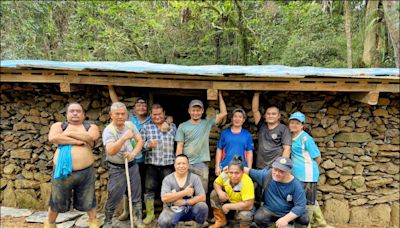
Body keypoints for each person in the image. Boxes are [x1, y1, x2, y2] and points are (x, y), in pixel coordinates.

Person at [108, 85, 171, 221]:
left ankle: (140, 212)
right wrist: (110, 87)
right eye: (138, 105)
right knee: (128, 186)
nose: (141, 108)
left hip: (143, 159)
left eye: (144, 105)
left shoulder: (150, 119)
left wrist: (168, 120)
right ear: (134, 108)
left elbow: (163, 117)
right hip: (129, 158)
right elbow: (116, 106)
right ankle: (127, 211)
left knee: (142, 186)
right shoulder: (129, 119)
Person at [45, 103, 100, 228]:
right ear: (67, 114)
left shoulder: (90, 127)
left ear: (84, 114)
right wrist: (77, 141)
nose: (75, 113)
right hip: (61, 172)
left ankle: (93, 222)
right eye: (72, 111)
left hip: (85, 172)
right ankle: (50, 223)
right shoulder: (58, 125)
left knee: (89, 199)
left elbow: (91, 137)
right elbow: (53, 138)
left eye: (78, 111)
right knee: (56, 200)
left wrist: (67, 134)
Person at [102, 102, 145, 228]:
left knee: (136, 192)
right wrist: (123, 139)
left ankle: (138, 219)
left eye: (123, 113)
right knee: (114, 194)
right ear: (111, 115)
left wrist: (133, 153)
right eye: (117, 114)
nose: (120, 116)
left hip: (132, 164)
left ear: (126, 114)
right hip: (116, 167)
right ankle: (108, 221)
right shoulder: (108, 131)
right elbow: (110, 151)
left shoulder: (130, 125)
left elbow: (140, 140)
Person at [175, 91, 227, 192]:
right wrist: (179, 163)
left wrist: (219, 94)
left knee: (202, 192)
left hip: (202, 164)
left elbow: (224, 113)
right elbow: (179, 147)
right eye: (193, 110)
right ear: (189, 111)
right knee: (186, 192)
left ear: (202, 111)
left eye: (198, 110)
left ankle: (201, 207)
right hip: (187, 163)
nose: (195, 113)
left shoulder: (206, 123)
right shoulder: (183, 126)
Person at [288, 112, 330, 228]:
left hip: (307, 175)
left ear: (302, 125)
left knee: (308, 202)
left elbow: (317, 157)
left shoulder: (306, 138)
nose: (294, 125)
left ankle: (307, 224)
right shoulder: (291, 136)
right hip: (297, 175)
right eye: (292, 122)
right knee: (307, 199)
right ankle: (321, 222)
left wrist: (310, 169)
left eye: (297, 123)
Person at [246, 156, 308, 228]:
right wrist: (230, 169)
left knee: (304, 219)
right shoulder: (266, 176)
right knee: (259, 218)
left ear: (288, 172)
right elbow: (248, 171)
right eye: (275, 169)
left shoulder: (296, 185)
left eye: (281, 171)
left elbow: (300, 206)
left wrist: (286, 219)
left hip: (288, 212)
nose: (276, 173)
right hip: (269, 210)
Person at [140, 103, 177, 225]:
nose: (157, 117)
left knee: (169, 190)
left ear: (164, 114)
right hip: (152, 164)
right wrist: (148, 145)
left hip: (168, 164)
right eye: (154, 115)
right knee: (149, 189)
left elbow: (179, 142)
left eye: (159, 114)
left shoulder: (172, 127)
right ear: (150, 115)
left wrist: (169, 121)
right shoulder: (146, 128)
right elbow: (140, 146)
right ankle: (150, 214)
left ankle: (167, 212)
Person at [158, 154, 208, 228]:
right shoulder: (168, 179)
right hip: (172, 210)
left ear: (188, 165)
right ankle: (177, 224)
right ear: (174, 165)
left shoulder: (194, 178)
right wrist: (184, 192)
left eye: (184, 163)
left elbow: (202, 197)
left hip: (191, 209)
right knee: (164, 221)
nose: (181, 166)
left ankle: (198, 225)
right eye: (178, 164)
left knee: (202, 207)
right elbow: (164, 198)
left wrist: (185, 202)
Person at [210, 157, 255, 228]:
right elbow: (216, 183)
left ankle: (243, 226)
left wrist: (228, 206)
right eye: (231, 173)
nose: (233, 176)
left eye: (237, 173)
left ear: (242, 172)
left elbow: (248, 205)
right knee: (214, 194)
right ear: (228, 171)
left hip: (242, 207)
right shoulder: (225, 174)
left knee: (245, 215)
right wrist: (220, 192)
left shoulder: (247, 182)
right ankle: (220, 221)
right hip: (229, 200)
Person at [252, 92, 291, 169]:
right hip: (260, 166)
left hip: (275, 167)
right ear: (265, 115)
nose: (271, 116)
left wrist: (281, 166)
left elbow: (287, 149)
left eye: (274, 114)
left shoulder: (283, 129)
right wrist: (256, 94)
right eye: (268, 114)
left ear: (279, 116)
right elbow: (255, 110)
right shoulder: (262, 125)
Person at [215, 108, 254, 176]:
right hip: (225, 167)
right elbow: (219, 149)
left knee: (240, 186)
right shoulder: (225, 133)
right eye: (235, 116)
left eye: (240, 117)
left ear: (243, 120)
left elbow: (249, 153)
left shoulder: (247, 135)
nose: (237, 119)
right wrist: (217, 166)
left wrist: (249, 169)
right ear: (232, 119)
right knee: (224, 186)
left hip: (242, 168)